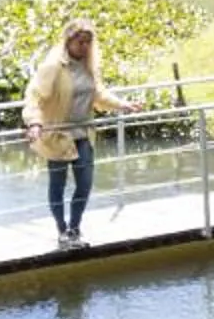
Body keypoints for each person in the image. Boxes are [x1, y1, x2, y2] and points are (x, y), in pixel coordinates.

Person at [20, 18, 131, 246]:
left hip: (83, 132)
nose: (85, 47)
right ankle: (61, 230)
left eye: (88, 42)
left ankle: (75, 228)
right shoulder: (53, 67)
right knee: (58, 184)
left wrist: (122, 104)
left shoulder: (89, 65)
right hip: (58, 134)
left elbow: (98, 94)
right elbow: (34, 96)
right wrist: (34, 122)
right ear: (68, 42)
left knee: (85, 183)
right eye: (80, 42)